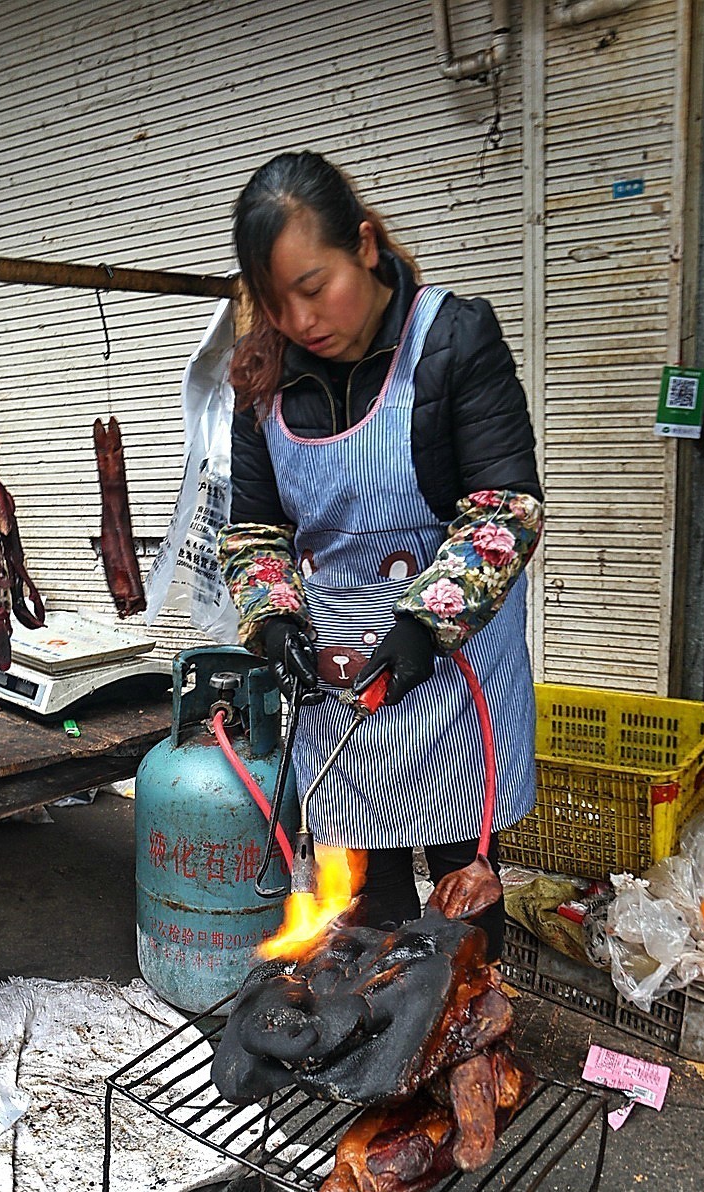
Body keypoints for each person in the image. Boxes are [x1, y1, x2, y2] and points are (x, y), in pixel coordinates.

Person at [218, 152, 543, 955]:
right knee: (371, 899)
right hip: (339, 671)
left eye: (314, 285)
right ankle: (387, 1048)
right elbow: (256, 536)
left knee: (464, 890)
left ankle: (469, 1033)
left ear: (365, 245)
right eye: (275, 300)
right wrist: (273, 622)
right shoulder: (263, 378)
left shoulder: (453, 339)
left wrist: (424, 626)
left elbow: (504, 513)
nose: (300, 321)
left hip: (452, 665)